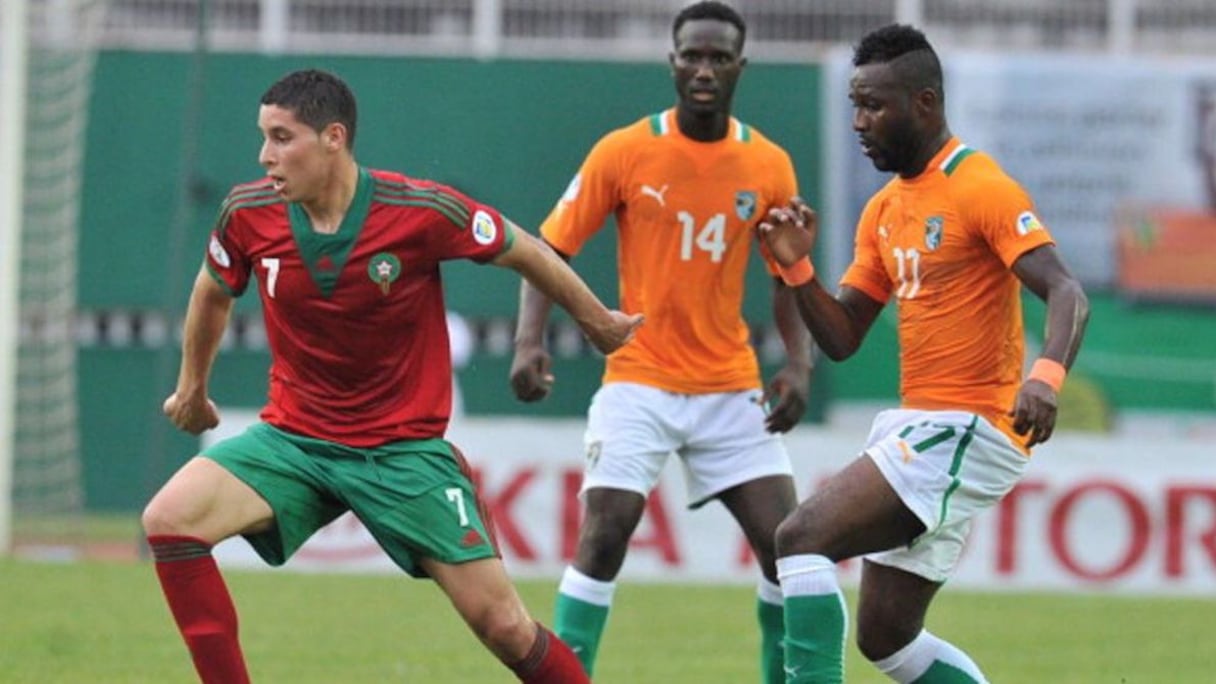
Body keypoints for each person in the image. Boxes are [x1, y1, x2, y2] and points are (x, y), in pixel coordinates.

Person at [140, 68, 642, 684]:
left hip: (401, 453)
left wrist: (598, 324)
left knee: (505, 626)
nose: (265, 156)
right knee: (170, 519)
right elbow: (211, 292)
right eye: (263, 137)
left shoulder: (419, 210)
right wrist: (193, 388)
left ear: (333, 137)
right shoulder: (248, 213)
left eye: (281, 137)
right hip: (294, 441)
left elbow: (524, 249)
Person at [758, 24, 1090, 683]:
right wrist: (797, 272)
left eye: (874, 105)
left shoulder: (980, 187)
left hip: (974, 424)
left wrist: (1046, 377)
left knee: (799, 539)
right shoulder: (883, 210)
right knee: (886, 636)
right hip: (925, 427)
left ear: (926, 103)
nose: (859, 122)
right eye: (854, 105)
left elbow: (1065, 290)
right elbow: (843, 338)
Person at [508, 2, 812, 681]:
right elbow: (546, 248)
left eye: (718, 57)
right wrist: (530, 341)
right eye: (692, 56)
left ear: (741, 66)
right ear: (672, 62)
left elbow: (788, 275)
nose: (703, 69)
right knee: (604, 534)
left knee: (788, 548)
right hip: (638, 378)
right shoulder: (625, 150)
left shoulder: (768, 164)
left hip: (730, 385)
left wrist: (797, 363)